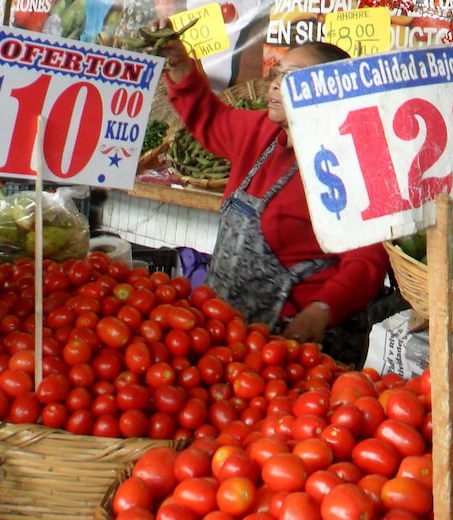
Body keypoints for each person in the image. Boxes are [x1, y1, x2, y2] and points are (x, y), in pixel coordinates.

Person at [154, 23, 391, 363]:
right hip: (228, 329)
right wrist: (180, 66)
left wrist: (322, 309)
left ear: (331, 91)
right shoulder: (261, 131)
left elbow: (366, 261)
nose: (276, 84)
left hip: (295, 341)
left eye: (292, 77)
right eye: (277, 74)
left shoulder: (350, 165)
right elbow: (212, 119)